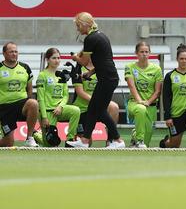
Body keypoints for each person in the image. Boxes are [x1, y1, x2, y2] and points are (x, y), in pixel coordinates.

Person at [67, 12, 125, 148]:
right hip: (109, 77)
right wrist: (91, 72)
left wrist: (75, 58)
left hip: (107, 79)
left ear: (84, 24)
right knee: (95, 109)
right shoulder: (101, 36)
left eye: (78, 26)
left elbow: (84, 61)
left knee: (98, 110)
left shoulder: (90, 39)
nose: (77, 29)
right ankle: (86, 140)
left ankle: (117, 140)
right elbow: (104, 61)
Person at [34, 48, 81, 147]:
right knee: (51, 145)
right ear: (47, 60)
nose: (57, 60)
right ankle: (36, 135)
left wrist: (61, 106)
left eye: (59, 58)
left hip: (59, 110)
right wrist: (44, 117)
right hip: (47, 112)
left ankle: (69, 140)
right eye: (54, 58)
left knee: (76, 110)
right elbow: (40, 98)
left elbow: (65, 95)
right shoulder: (42, 75)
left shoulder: (62, 75)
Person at [71, 59, 120, 145]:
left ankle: (111, 140)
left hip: (98, 106)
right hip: (83, 110)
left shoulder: (101, 68)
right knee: (88, 143)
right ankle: (84, 138)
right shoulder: (78, 69)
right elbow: (80, 92)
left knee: (114, 107)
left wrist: (99, 101)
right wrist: (96, 101)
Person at [0, 42, 39, 147]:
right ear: (4, 53)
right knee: (8, 143)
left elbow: (29, 90)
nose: (14, 54)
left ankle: (29, 138)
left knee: (33, 103)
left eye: (16, 51)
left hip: (21, 104)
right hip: (4, 108)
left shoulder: (25, 67)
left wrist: (29, 108)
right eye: (11, 51)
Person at [125, 41, 163, 148]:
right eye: (141, 52)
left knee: (148, 139)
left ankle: (135, 134)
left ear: (150, 53)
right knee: (140, 109)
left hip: (151, 106)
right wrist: (140, 101)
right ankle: (139, 139)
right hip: (134, 103)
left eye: (146, 52)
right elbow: (131, 86)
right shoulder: (130, 67)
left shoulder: (156, 69)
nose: (144, 54)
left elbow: (158, 91)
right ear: (136, 53)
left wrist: (148, 102)